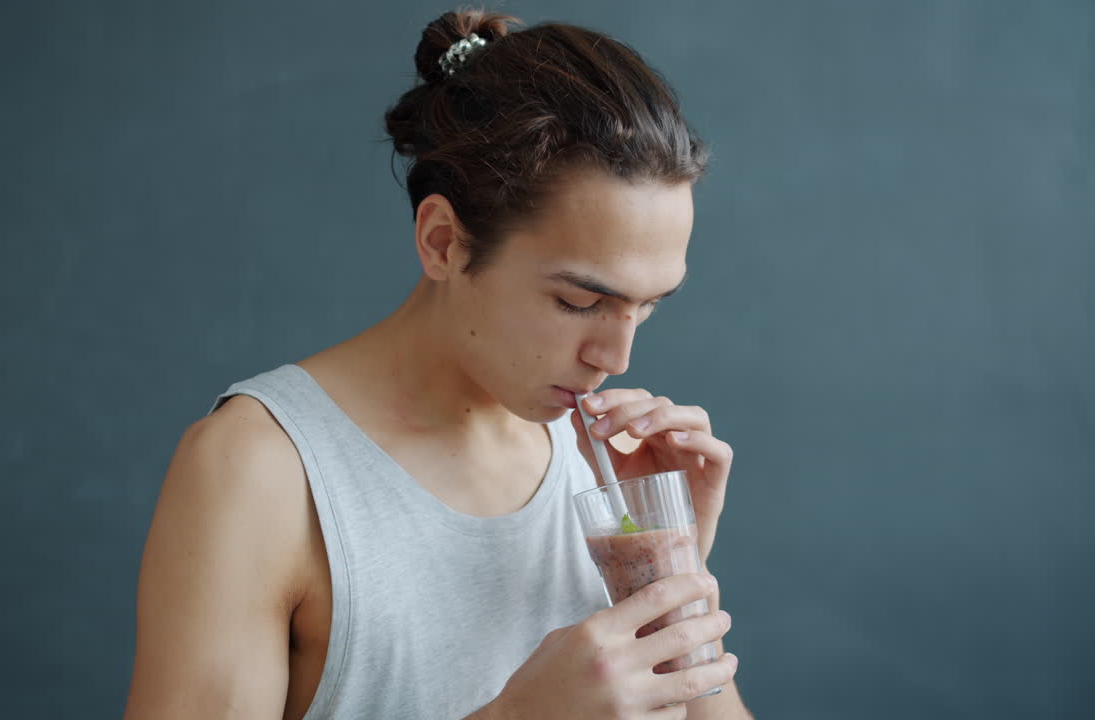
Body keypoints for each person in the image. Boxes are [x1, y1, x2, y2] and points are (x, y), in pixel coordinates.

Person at [124, 9, 751, 720]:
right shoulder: (259, 472)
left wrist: (668, 581)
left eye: (649, 306)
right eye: (579, 301)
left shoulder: (615, 470)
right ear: (444, 242)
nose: (615, 357)